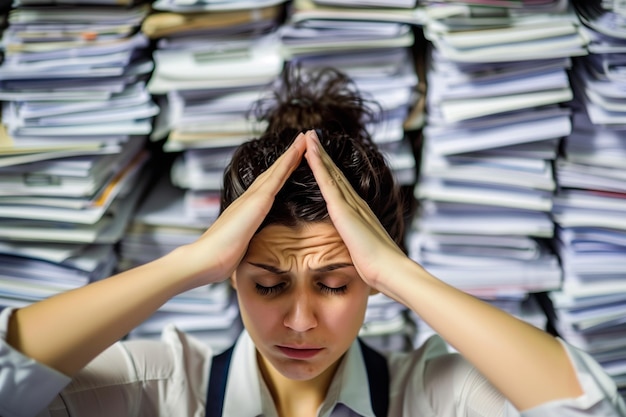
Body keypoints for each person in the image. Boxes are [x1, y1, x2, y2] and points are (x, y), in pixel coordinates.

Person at [0, 67, 625, 417]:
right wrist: (188, 264)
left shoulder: (435, 396)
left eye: (336, 283)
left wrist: (401, 273)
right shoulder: (155, 390)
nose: (299, 321)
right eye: (268, 284)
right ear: (232, 270)